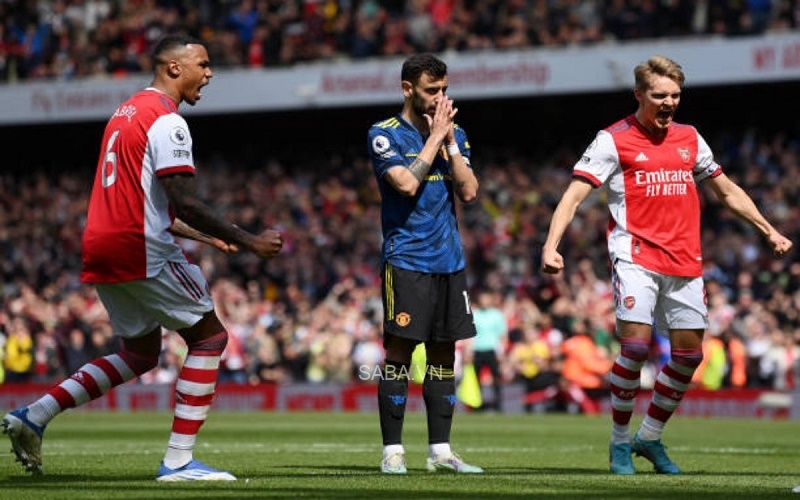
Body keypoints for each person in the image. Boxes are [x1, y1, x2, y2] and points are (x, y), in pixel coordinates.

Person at [1, 34, 283, 481]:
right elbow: (184, 201)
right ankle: (179, 461)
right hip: (139, 246)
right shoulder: (168, 122)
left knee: (140, 353)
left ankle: (34, 415)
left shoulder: (124, 113)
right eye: (203, 65)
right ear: (174, 68)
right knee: (209, 339)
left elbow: (148, 203)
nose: (209, 73)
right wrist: (250, 241)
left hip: (101, 244)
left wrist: (209, 239)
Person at [541, 55, 792, 475]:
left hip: (685, 258)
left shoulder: (690, 137)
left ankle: (650, 437)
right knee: (636, 348)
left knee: (689, 356)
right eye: (660, 95)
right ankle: (620, 443)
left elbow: (726, 191)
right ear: (639, 94)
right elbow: (573, 196)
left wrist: (768, 229)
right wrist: (551, 246)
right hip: (635, 255)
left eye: (675, 95)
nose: (669, 102)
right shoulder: (612, 140)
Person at [367, 53, 483, 475]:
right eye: (432, 90)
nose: (440, 97)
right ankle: (393, 452)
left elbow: (469, 192)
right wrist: (435, 138)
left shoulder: (456, 135)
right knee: (399, 351)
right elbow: (405, 183)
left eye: (444, 89)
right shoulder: (385, 133)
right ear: (407, 89)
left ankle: (441, 451)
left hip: (449, 261)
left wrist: (449, 141)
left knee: (443, 355)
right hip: (406, 260)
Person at [470, 289, 508, 412]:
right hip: (477, 350)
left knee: (496, 377)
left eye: (486, 298)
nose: (484, 301)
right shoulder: (474, 314)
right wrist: (469, 351)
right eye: (482, 299)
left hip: (492, 350)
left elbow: (502, 335)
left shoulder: (497, 315)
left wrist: (501, 352)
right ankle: (477, 403)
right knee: (476, 378)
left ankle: (498, 402)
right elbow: (470, 335)